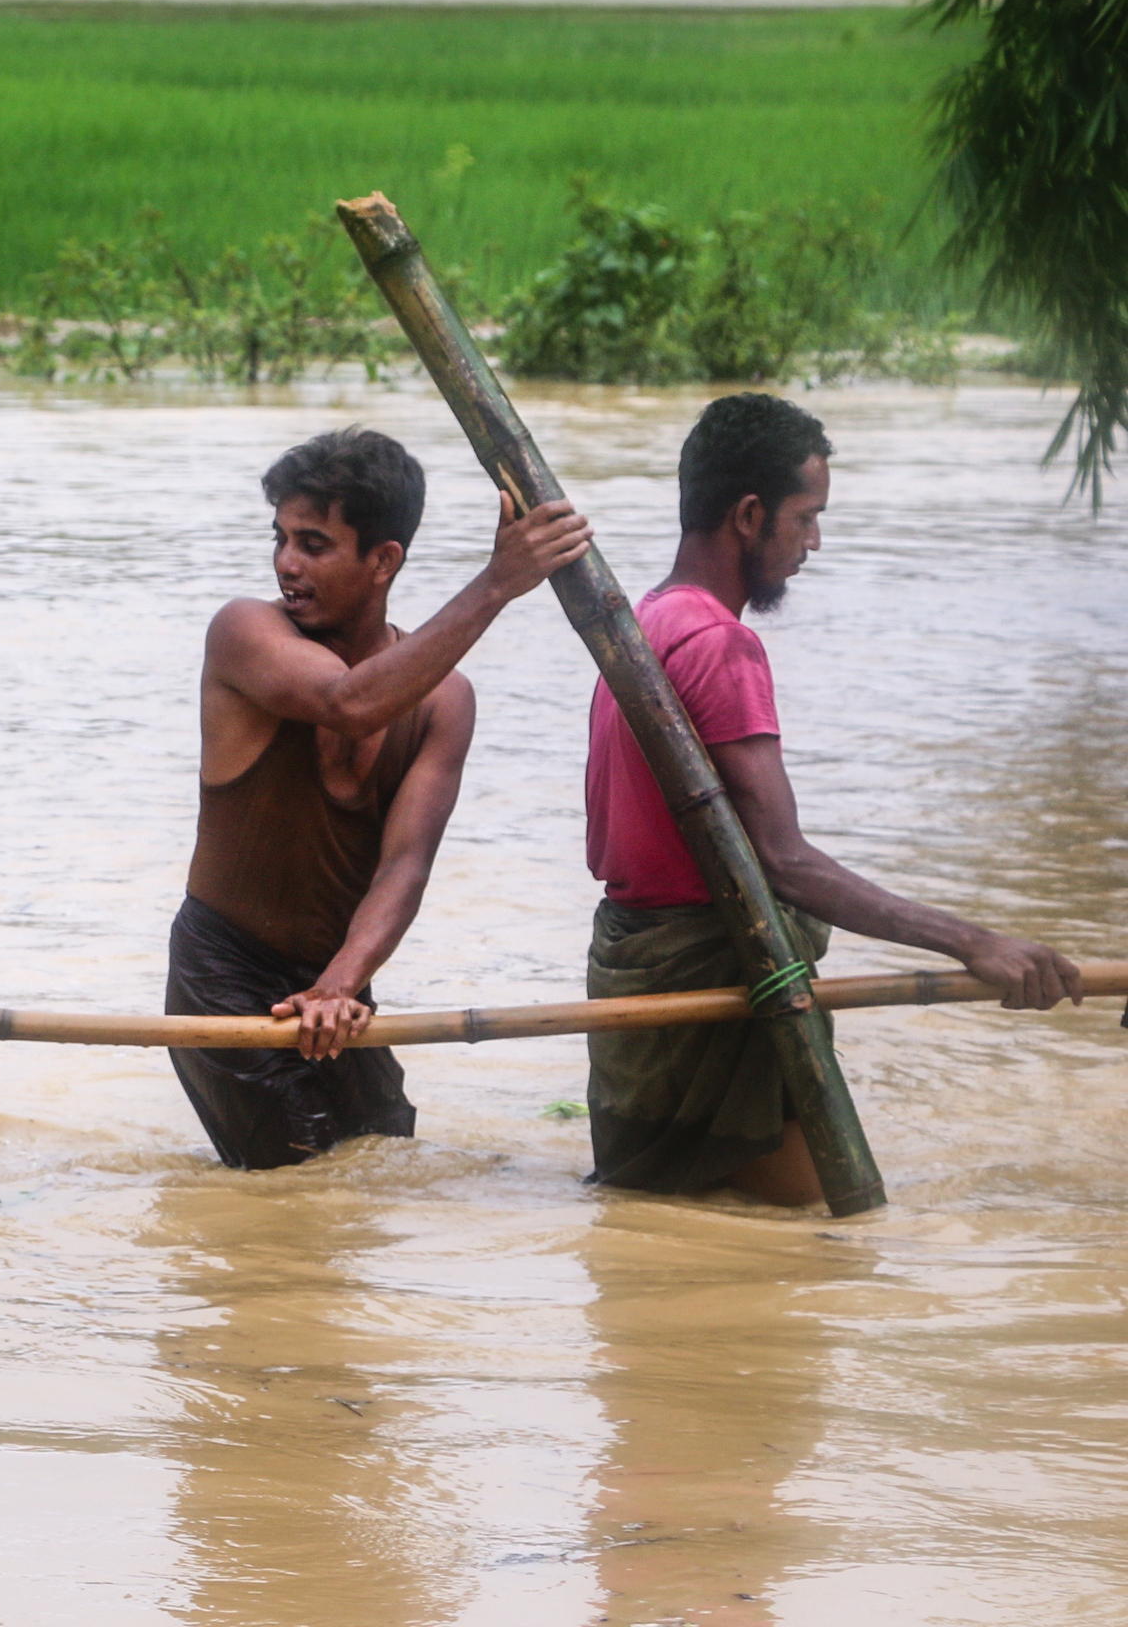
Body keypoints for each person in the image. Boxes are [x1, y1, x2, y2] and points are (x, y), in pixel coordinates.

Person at [583, 392, 1083, 1205]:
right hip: (711, 983)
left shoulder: (644, 624)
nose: (813, 541)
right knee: (832, 1235)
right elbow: (786, 863)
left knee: (689, 1233)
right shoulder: (719, 643)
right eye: (806, 516)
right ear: (750, 514)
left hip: (650, 980)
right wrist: (971, 939)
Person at [170, 427, 593, 1169]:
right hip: (223, 972)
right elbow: (348, 701)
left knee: (381, 1156)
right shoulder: (244, 632)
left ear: (384, 560)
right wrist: (497, 583)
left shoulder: (443, 704)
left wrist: (340, 982)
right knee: (302, 1180)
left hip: (337, 976)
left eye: (313, 543)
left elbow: (404, 866)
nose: (285, 564)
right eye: (280, 538)